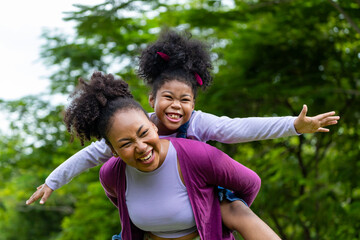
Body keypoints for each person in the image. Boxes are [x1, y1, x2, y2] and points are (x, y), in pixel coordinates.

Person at [26, 30, 339, 239]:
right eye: (167, 98)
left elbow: (240, 128)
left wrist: (293, 126)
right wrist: (54, 181)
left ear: (194, 103)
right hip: (158, 199)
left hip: (202, 189)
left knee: (234, 208)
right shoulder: (133, 127)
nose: (176, 106)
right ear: (151, 100)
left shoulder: (200, 125)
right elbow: (90, 154)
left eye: (184, 99)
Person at [64, 71, 261, 239]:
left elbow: (249, 180)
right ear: (113, 150)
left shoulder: (197, 153)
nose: (140, 147)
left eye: (143, 134)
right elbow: (90, 161)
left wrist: (220, 212)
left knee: (236, 210)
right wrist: (52, 182)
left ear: (153, 126)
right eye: (126, 143)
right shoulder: (112, 174)